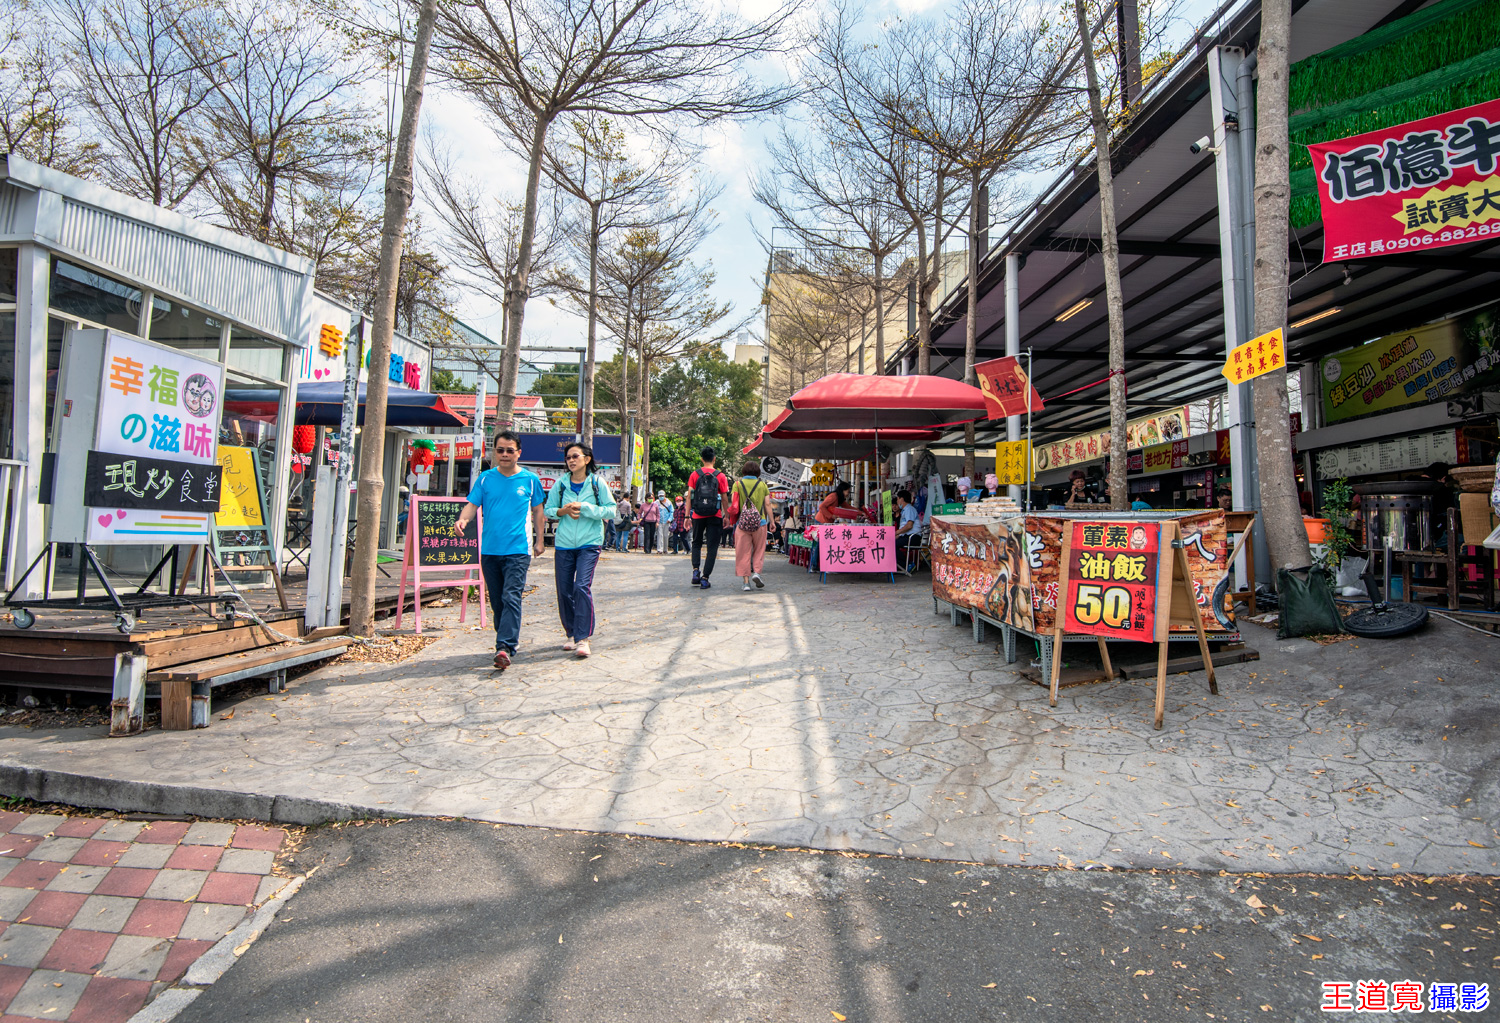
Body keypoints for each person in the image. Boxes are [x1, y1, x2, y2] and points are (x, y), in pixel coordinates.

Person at [454, 431, 546, 670]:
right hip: (490, 550)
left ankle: (504, 646)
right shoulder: (485, 479)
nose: (504, 455)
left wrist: (539, 540)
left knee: (511, 596)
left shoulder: (529, 479)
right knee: (497, 600)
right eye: (500, 450)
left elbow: (538, 511)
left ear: (519, 452)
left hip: (518, 549)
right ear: (494, 452)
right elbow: (472, 506)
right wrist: (463, 520)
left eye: (509, 450)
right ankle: (506, 644)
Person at [543, 441, 615, 659]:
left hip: (590, 543)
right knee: (564, 591)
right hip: (564, 543)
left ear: (587, 459)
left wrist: (586, 508)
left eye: (575, 456)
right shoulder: (561, 484)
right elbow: (549, 510)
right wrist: (563, 510)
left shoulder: (597, 483)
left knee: (581, 587)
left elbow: (610, 510)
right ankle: (571, 633)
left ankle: (583, 638)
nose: (571, 460)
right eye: (568, 458)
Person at [687, 445, 730, 588]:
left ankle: (695, 571)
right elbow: (724, 498)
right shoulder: (720, 476)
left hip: (698, 515)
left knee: (696, 542)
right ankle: (705, 578)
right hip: (715, 514)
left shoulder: (695, 474)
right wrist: (727, 516)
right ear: (714, 459)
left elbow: (689, 497)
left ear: (701, 458)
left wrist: (687, 517)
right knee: (712, 547)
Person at [729, 460, 774, 591]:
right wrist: (772, 521)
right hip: (760, 523)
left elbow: (734, 503)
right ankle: (757, 573)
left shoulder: (737, 484)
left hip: (742, 524)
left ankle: (746, 583)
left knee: (743, 552)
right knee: (759, 550)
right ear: (757, 472)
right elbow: (767, 504)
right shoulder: (762, 485)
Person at [895, 488, 922, 571]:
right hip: (907, 536)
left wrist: (896, 532)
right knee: (890, 544)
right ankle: (902, 566)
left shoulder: (909, 509)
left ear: (901, 499)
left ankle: (907, 565)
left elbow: (909, 526)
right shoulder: (904, 511)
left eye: (897, 499)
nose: (897, 501)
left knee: (893, 545)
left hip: (913, 537)